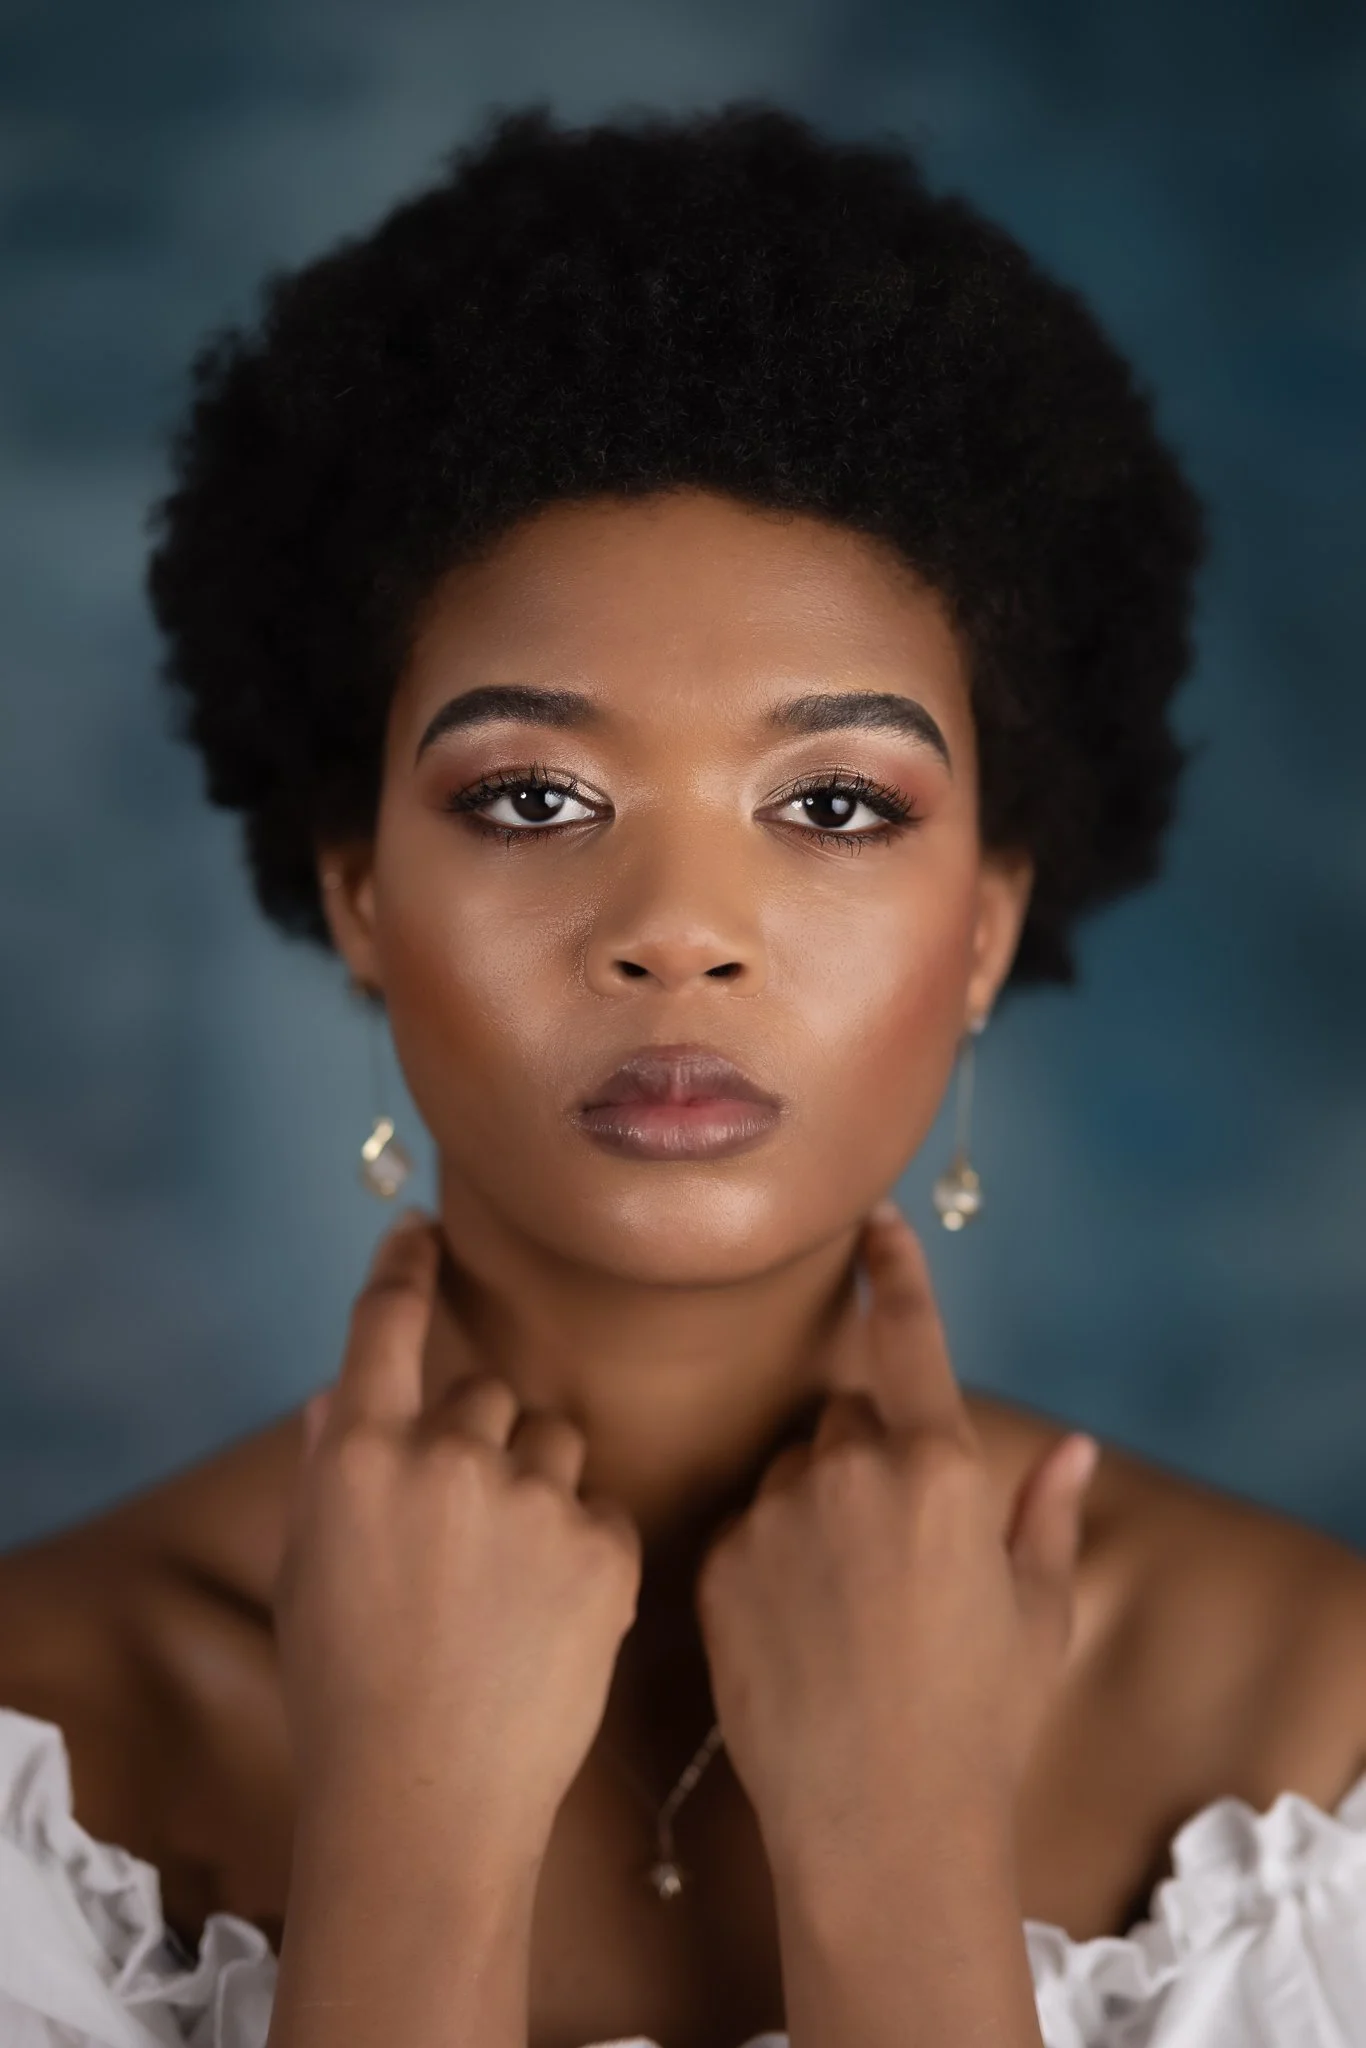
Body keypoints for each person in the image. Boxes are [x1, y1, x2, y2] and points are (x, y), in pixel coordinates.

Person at [1, 102, 1363, 2048]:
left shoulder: (1314, 1732)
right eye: (532, 797)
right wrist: (411, 1840)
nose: (677, 933)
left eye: (831, 802)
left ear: (985, 923)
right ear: (361, 895)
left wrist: (898, 1855)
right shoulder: (39, 1740)